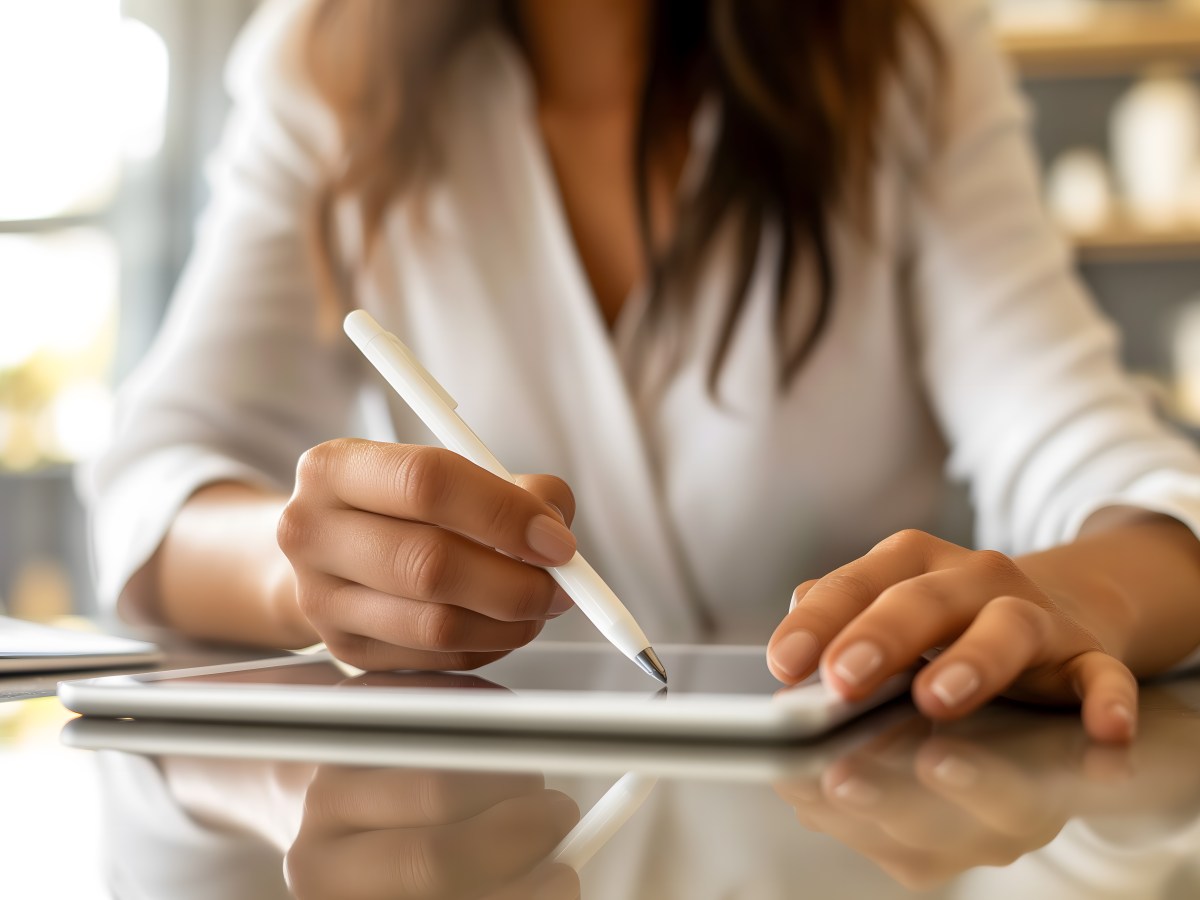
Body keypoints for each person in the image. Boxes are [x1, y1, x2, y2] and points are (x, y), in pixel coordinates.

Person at [87, 0, 1200, 745]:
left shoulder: (902, 48)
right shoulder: (328, 60)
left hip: (851, 841)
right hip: (486, 839)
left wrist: (1082, 594)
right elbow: (148, 486)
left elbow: (1103, 457)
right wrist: (319, 579)